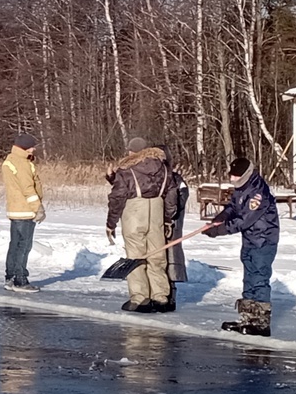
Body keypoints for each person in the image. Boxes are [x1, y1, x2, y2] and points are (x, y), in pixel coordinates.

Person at [200, 155, 280, 336]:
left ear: (245, 174)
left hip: (263, 241)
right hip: (250, 240)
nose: (232, 179)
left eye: (236, 176)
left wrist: (219, 231)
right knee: (249, 278)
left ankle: (261, 323)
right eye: (232, 175)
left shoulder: (258, 192)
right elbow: (234, 208)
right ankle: (247, 318)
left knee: (259, 278)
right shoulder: (242, 189)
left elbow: (244, 220)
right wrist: (221, 217)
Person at [105, 139, 174, 314]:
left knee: (136, 256)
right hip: (157, 212)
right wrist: (167, 218)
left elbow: (118, 197)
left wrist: (110, 223)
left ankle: (140, 298)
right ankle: (161, 297)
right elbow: (171, 195)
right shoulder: (163, 167)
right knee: (157, 255)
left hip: (135, 213)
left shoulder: (127, 169)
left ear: (132, 151)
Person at [1, 134, 43, 288]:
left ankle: (10, 277)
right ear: (25, 147)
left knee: (15, 244)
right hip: (25, 210)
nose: (34, 148)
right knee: (24, 246)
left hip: (14, 209)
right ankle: (20, 280)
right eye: (32, 146)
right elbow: (28, 188)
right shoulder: (22, 163)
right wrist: (37, 208)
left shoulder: (10, 160)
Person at [147, 140, 191, 289]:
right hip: (155, 224)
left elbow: (180, 200)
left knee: (169, 257)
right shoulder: (150, 178)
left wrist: (168, 215)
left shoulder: (175, 179)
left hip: (171, 225)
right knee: (155, 260)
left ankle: (170, 293)